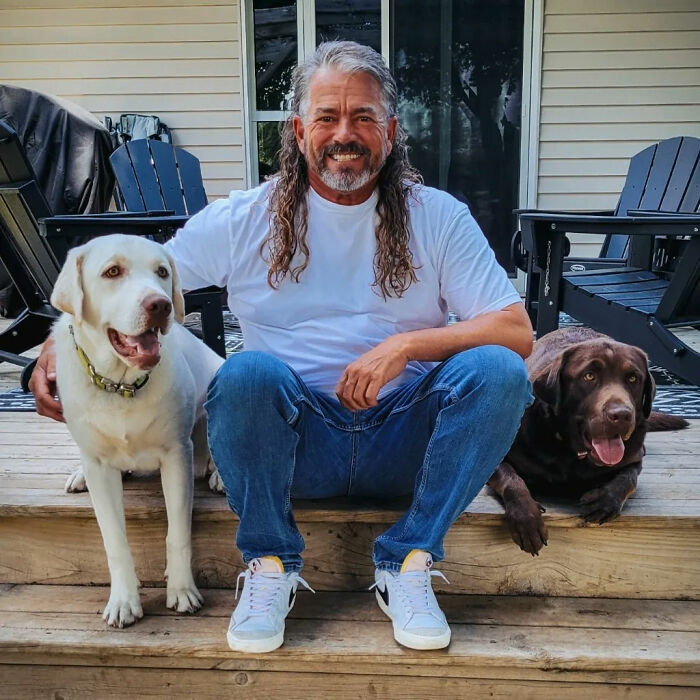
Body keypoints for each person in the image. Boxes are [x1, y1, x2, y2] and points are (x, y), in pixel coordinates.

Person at [31, 41, 533, 654]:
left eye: (363, 117)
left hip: (405, 441)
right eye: (327, 117)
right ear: (298, 131)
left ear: (391, 130)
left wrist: (410, 343)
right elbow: (137, 281)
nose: (344, 134)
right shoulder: (245, 219)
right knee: (244, 374)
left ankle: (409, 560)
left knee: (499, 370)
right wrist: (53, 348)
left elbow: (517, 329)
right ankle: (270, 567)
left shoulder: (440, 217)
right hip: (294, 449)